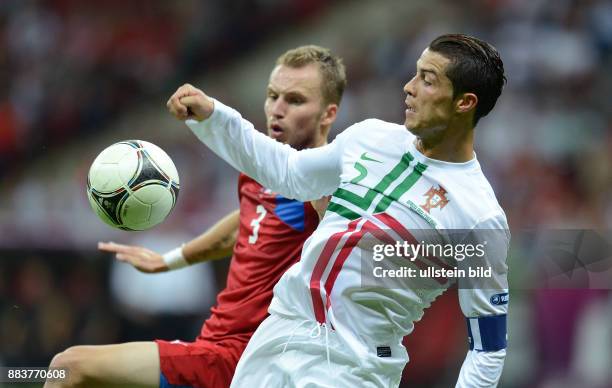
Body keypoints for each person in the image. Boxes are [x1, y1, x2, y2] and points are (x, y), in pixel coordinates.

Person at [167, 33, 510, 387]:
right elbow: (289, 173)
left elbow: (487, 348)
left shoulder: (478, 215)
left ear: (464, 103)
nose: (409, 87)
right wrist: (214, 117)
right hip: (278, 334)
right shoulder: (370, 137)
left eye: (428, 80)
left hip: (351, 365)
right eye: (415, 73)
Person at [44, 45, 346, 388]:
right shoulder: (259, 173)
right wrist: (169, 260)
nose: (277, 110)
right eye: (272, 96)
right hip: (213, 345)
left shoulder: (329, 186)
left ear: (327, 114)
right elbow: (244, 226)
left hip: (252, 359)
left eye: (294, 100)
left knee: (66, 368)